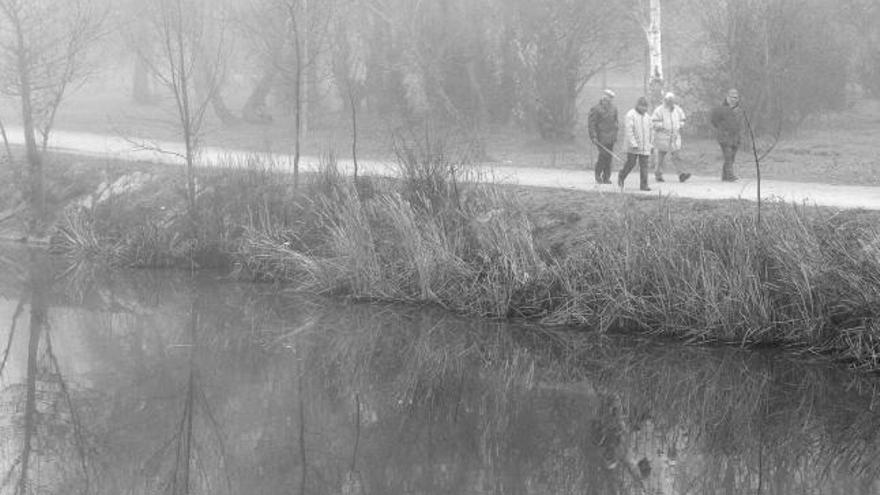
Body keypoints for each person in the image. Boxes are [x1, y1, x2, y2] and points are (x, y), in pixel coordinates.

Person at [651, 92, 691, 183]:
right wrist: (663, 125)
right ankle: (658, 174)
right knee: (660, 158)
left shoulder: (677, 109)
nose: (670, 102)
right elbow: (653, 122)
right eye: (668, 100)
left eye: (672, 100)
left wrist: (680, 125)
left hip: (674, 136)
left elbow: (682, 119)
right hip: (662, 136)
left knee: (676, 156)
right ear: (665, 100)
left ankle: (681, 174)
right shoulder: (659, 110)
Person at [617, 97, 653, 191]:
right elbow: (629, 131)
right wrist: (633, 143)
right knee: (631, 163)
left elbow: (651, 131)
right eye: (642, 106)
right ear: (637, 105)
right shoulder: (630, 115)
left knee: (644, 165)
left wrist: (651, 144)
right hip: (633, 146)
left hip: (645, 146)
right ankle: (622, 175)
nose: (644, 109)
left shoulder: (648, 117)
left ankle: (644, 185)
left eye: (646, 107)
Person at [709, 88, 743, 182]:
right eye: (732, 97)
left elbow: (741, 124)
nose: (734, 99)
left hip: (736, 137)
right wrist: (722, 129)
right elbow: (714, 121)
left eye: (736, 97)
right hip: (724, 137)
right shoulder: (720, 109)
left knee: (732, 157)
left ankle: (725, 176)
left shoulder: (740, 110)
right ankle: (730, 176)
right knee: (728, 156)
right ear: (727, 97)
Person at [588, 89, 619, 184]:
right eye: (606, 98)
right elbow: (591, 124)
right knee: (603, 156)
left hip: (611, 138)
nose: (607, 100)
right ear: (603, 98)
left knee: (608, 158)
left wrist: (615, 133)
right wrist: (593, 136)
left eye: (610, 99)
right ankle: (598, 174)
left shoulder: (614, 108)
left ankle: (606, 177)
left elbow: (616, 122)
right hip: (600, 137)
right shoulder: (596, 109)